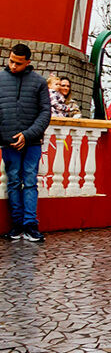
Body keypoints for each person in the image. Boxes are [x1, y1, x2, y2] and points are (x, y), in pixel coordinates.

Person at [2, 44, 50, 243]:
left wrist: (27, 136)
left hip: (32, 143)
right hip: (9, 143)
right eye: (11, 61)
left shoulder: (39, 82)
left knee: (30, 181)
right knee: (13, 182)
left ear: (28, 62)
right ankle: (17, 225)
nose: (13, 65)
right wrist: (8, 137)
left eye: (18, 63)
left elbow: (45, 112)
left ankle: (30, 225)